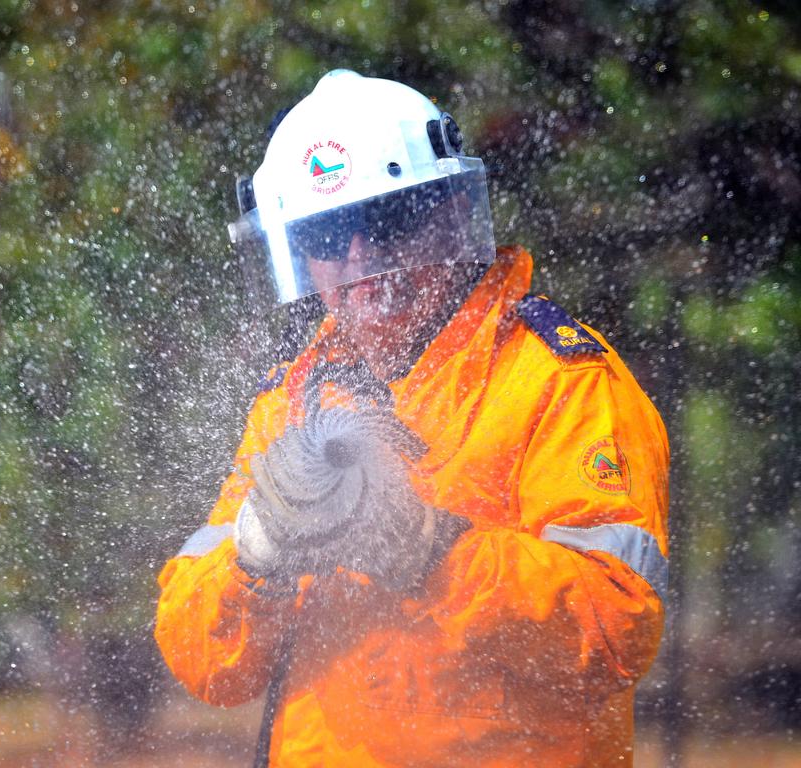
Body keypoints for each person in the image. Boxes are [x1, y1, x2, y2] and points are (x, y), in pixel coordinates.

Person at [155, 70, 669, 767]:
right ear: (301, 254)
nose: (363, 261)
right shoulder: (293, 402)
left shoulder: (558, 381)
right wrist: (254, 562)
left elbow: (615, 634)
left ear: (451, 217)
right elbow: (213, 670)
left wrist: (432, 549)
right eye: (331, 234)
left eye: (390, 222)